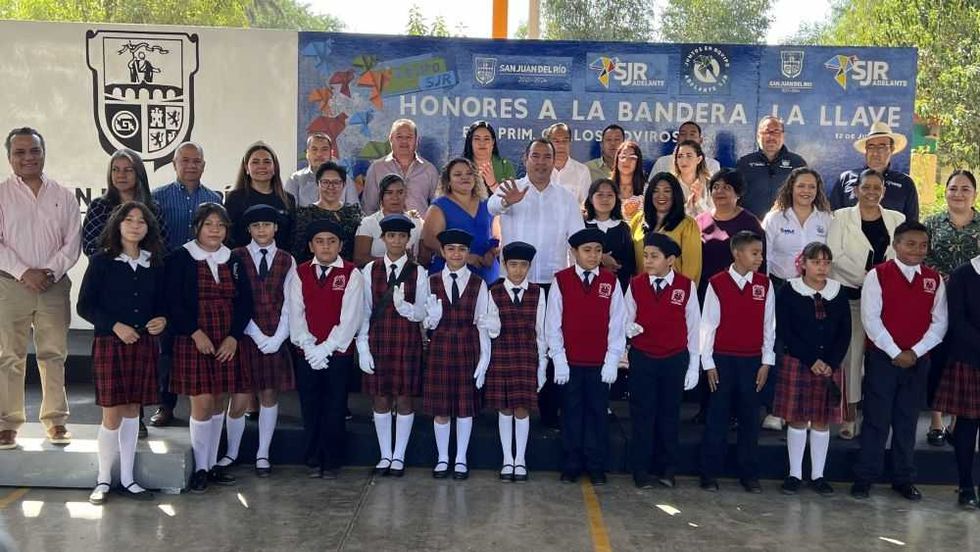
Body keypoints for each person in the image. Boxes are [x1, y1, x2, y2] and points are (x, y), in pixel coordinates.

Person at [77, 201, 167, 503]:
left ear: (148, 228)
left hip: (143, 344)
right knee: (112, 413)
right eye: (129, 220)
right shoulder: (102, 261)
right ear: (117, 224)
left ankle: (128, 478)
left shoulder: (154, 262)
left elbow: (162, 304)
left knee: (132, 410)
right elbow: (85, 306)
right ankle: (103, 479)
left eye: (141, 221)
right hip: (111, 343)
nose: (135, 226)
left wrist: (162, 319)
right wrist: (115, 326)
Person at [490, 139, 584, 428]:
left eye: (547, 157)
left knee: (551, 345)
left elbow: (577, 239)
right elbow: (492, 206)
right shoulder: (512, 188)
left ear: (554, 161)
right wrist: (507, 201)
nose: (541, 162)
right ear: (525, 159)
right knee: (512, 347)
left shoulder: (565, 197)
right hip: (515, 284)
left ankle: (549, 413)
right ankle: (510, 411)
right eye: (536, 156)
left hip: (552, 284)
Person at [851, 221, 947, 501]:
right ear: (896, 245)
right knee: (876, 419)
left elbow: (940, 323)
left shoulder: (934, 279)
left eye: (923, 245)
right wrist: (896, 352)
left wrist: (915, 352)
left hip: (918, 360)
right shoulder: (878, 275)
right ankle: (865, 477)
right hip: (884, 359)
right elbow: (871, 319)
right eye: (911, 244)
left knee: (908, 420)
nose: (918, 250)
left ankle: (903, 478)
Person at [0, 127, 81, 450]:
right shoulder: (1, 194)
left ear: (44, 153)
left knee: (53, 354)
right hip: (10, 285)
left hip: (53, 285)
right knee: (9, 356)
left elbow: (72, 243)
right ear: (9, 157)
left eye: (34, 150)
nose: (28, 157)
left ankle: (56, 421)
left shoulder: (64, 195)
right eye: (19, 152)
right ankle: (7, 425)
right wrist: (24, 272)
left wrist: (48, 272)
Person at [166, 203, 253, 493]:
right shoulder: (180, 257)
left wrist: (233, 337)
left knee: (218, 401)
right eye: (209, 224)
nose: (215, 230)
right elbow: (173, 302)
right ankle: (200, 468)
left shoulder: (234, 258)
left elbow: (245, 302)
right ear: (197, 228)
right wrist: (194, 332)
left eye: (221, 225)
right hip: (195, 338)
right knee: (202, 402)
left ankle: (212, 463)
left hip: (226, 338)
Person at [826, 169, 905, 439]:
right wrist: (871, 280)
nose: (871, 192)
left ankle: (880, 418)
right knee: (852, 359)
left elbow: (901, 256)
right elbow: (835, 256)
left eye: (877, 187)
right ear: (856, 190)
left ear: (884, 190)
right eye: (866, 187)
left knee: (884, 360)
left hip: (888, 302)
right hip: (851, 298)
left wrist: (882, 284)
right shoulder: (840, 217)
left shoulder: (897, 219)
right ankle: (849, 417)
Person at [150, 141, 222, 428]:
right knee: (166, 346)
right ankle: (165, 405)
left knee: (201, 340)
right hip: (169, 279)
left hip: (204, 280)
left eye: (196, 161)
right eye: (185, 160)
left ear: (204, 165)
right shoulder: (157, 198)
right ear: (174, 164)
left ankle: (205, 405)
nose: (191, 165)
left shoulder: (214, 198)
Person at [220, 205, 296, 477]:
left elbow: (292, 303)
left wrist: (277, 338)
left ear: (275, 228)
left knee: (269, 394)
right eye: (255, 225)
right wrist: (254, 332)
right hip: (244, 337)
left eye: (266, 224)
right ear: (248, 229)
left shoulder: (287, 260)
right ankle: (231, 452)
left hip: (275, 336)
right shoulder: (235, 257)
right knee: (239, 398)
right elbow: (233, 300)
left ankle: (263, 453)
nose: (261, 230)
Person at [548, 228, 626, 485]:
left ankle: (595, 465)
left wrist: (612, 359)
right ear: (574, 252)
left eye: (598, 250)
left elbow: (617, 323)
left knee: (597, 413)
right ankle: (571, 463)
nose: (593, 256)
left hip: (599, 363)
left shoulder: (610, 282)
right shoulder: (561, 280)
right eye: (587, 250)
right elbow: (553, 323)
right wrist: (558, 358)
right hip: (570, 362)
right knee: (571, 412)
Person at [288, 218, 365, 479]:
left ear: (340, 245)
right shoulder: (300, 273)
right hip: (307, 353)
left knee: (335, 407)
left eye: (331, 241)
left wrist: (327, 348)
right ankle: (312, 458)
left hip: (338, 354)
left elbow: (350, 318)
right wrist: (309, 347)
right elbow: (295, 313)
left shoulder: (351, 274)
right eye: (319, 242)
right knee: (310, 406)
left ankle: (332, 461)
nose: (325, 247)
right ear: (311, 246)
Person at [773, 242, 851, 497]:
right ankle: (794, 474)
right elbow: (785, 330)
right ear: (803, 263)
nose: (822, 267)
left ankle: (818, 475)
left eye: (826, 262)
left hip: (829, 366)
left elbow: (844, 332)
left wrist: (831, 362)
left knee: (821, 420)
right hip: (798, 362)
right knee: (797, 418)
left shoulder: (838, 292)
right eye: (816, 262)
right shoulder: (789, 290)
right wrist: (810, 359)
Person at [699, 231, 774, 493]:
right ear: (737, 253)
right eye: (754, 253)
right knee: (717, 418)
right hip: (722, 361)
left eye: (761, 253)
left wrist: (766, 362)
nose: (760, 258)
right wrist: (708, 363)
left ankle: (749, 474)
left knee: (750, 419)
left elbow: (769, 326)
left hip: (752, 361)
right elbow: (708, 325)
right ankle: (709, 473)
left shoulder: (764, 285)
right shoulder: (717, 283)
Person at [625, 233, 700, 489]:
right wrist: (629, 329)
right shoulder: (636, 284)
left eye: (654, 256)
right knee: (642, 415)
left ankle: (667, 468)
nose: (648, 261)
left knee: (669, 415)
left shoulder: (686, 286)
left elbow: (694, 327)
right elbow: (626, 317)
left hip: (673, 358)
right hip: (643, 357)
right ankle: (640, 469)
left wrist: (693, 366)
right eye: (646, 256)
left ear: (670, 260)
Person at [357, 214, 428, 477]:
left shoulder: (418, 272)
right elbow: (364, 311)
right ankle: (385, 454)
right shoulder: (370, 270)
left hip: (407, 341)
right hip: (378, 340)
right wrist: (362, 346)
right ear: (383, 238)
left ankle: (399, 455)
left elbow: (422, 312)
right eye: (391, 236)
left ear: (408, 240)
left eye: (401, 236)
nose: (396, 241)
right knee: (381, 397)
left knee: (405, 398)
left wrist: (405, 307)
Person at [422, 229, 491, 480]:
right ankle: (443, 458)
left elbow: (483, 323)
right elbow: (423, 320)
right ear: (442, 252)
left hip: (467, 346)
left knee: (464, 407)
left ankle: (460, 458)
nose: (456, 254)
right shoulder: (430, 281)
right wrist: (430, 321)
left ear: (467, 252)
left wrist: (484, 359)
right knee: (441, 408)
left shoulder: (478, 283)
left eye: (462, 249)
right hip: (440, 347)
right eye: (451, 249)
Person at [921, 170, 979, 446]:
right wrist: (944, 277)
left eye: (965, 189)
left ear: (974, 194)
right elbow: (921, 255)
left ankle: (958, 421)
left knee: (963, 359)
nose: (959, 194)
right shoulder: (932, 223)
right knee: (939, 357)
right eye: (953, 188)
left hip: (973, 304)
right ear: (945, 192)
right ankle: (936, 422)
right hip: (937, 297)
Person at [483, 241, 547, 482]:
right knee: (505, 408)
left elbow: (541, 333)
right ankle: (507, 459)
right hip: (502, 356)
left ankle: (520, 459)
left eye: (523, 265)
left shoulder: (538, 293)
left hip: (527, 357)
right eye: (513, 265)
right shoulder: (493, 292)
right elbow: (487, 333)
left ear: (529, 266)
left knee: (522, 408)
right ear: (504, 265)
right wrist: (491, 332)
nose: (518, 270)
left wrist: (543, 366)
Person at [933, 238, 980, 509]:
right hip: (969, 358)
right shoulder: (963, 274)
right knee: (968, 424)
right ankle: (966, 485)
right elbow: (957, 321)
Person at [422, 158, 499, 283]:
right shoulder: (439, 206)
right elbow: (430, 241)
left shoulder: (488, 203)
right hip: (451, 276)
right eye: (458, 174)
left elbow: (497, 235)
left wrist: (492, 253)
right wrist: (464, 257)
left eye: (469, 173)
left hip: (486, 273)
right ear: (448, 181)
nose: (465, 177)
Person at [82, 148, 167, 257]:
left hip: (146, 266)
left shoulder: (153, 208)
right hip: (107, 266)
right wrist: (121, 260)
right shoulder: (99, 206)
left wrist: (137, 260)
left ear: (139, 174)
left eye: (128, 170)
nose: (121, 175)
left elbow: (163, 246)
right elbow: (90, 246)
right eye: (115, 169)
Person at [829, 122, 919, 222]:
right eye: (871, 146)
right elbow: (833, 218)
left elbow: (912, 224)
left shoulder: (905, 183)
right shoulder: (846, 179)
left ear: (892, 149)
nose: (875, 152)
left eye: (882, 147)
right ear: (866, 150)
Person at [696, 169, 764, 299]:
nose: (719, 191)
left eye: (726, 187)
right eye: (716, 187)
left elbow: (760, 262)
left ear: (738, 193)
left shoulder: (750, 223)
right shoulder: (700, 220)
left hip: (739, 292)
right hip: (706, 292)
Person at [762, 168, 832, 289]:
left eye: (812, 187)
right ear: (791, 188)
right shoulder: (774, 218)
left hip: (815, 286)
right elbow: (765, 256)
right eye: (801, 186)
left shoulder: (826, 219)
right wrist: (765, 286)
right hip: (779, 286)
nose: (806, 191)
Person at [629, 172, 702, 283]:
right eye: (655, 191)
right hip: (641, 289)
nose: (661, 196)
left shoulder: (688, 225)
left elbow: (692, 269)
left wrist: (684, 291)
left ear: (675, 194)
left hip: (674, 290)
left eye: (667, 191)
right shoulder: (638, 220)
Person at [224, 142, 296, 250]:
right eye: (255, 162)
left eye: (267, 162)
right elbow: (228, 237)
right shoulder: (234, 199)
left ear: (275, 167)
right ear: (246, 168)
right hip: (242, 259)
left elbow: (292, 238)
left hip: (280, 259)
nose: (262, 166)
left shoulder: (288, 199)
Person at [362, 119, 439, 215]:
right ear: (390, 139)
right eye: (399, 137)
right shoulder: (377, 168)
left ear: (417, 141)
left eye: (409, 137)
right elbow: (368, 208)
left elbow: (437, 208)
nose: (404, 141)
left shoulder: (429, 170)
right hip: (386, 224)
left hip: (419, 224)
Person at [736, 116, 807, 218]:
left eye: (776, 131)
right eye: (766, 132)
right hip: (751, 224)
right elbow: (734, 198)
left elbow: (805, 197)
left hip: (787, 224)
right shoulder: (744, 163)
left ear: (783, 136)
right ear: (758, 136)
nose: (771, 136)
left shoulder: (797, 163)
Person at [293, 161, 363, 264]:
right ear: (317, 184)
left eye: (336, 182)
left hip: (349, 270)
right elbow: (298, 251)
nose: (331, 187)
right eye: (325, 182)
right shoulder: (304, 214)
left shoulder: (354, 213)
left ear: (344, 185)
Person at [352, 174, 422, 267]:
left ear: (406, 195)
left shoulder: (416, 222)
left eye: (400, 192)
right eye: (389, 193)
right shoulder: (368, 223)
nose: (395, 197)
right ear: (381, 196)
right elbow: (360, 259)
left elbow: (424, 258)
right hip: (374, 274)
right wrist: (396, 261)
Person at [585, 178, 635, 292]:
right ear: (591, 199)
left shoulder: (623, 228)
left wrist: (615, 266)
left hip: (618, 288)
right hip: (587, 287)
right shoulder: (582, 225)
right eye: (600, 195)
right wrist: (601, 258)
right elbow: (576, 255)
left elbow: (630, 263)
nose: (605, 199)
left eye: (610, 195)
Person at [285, 132, 359, 207]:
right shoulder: (295, 180)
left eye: (324, 149)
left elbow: (355, 210)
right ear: (307, 153)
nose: (319, 154)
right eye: (314, 149)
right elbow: (288, 210)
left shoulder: (345, 180)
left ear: (331, 153)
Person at [462, 120, 516, 195]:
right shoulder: (460, 166)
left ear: (493, 142)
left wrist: (493, 184)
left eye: (486, 139)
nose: (482, 143)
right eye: (477, 139)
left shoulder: (505, 166)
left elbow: (511, 199)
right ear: (470, 142)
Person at [544, 123, 592, 205]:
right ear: (548, 144)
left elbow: (586, 204)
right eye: (556, 141)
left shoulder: (582, 171)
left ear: (570, 143)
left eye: (565, 141)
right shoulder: (540, 169)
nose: (561, 145)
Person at [652, 121, 721, 176]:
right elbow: (651, 187)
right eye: (683, 134)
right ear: (677, 138)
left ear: (700, 140)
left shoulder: (712, 165)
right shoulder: (662, 162)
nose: (687, 138)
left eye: (692, 134)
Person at [672, 140, 713, 217]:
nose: (684, 160)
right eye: (680, 156)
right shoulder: (669, 183)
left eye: (689, 156)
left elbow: (714, 215)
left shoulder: (709, 184)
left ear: (699, 159)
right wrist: (687, 208)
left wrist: (699, 201)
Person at [610, 141, 646, 221]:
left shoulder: (647, 189)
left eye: (632, 158)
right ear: (617, 160)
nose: (626, 161)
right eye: (623, 157)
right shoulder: (606, 187)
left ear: (638, 162)